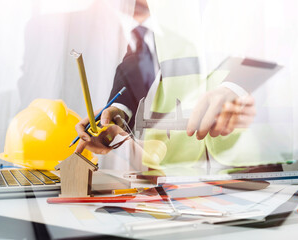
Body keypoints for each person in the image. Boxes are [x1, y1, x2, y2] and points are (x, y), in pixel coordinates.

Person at [75, 0, 257, 170]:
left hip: (250, 152)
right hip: (174, 161)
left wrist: (235, 88)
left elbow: (274, 36)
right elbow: (143, 50)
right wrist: (119, 109)